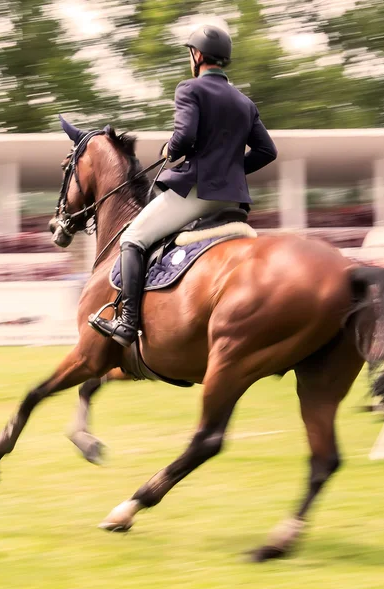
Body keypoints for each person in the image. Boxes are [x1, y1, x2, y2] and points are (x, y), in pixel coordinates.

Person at [89, 23, 278, 347]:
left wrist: (170, 149)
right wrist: (230, 171)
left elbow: (185, 137)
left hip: (196, 193)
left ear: (198, 55)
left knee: (132, 237)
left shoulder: (190, 90)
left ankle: (127, 323)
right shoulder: (244, 102)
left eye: (191, 53)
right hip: (233, 202)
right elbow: (267, 151)